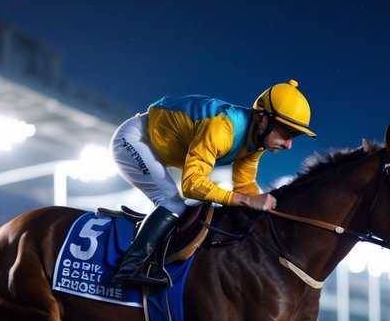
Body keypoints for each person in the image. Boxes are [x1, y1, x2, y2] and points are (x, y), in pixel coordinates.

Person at [109, 80, 316, 288]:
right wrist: (244, 200)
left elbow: (245, 187)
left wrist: (272, 211)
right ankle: (129, 268)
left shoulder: (256, 144)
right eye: (285, 133)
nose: (289, 145)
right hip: (134, 140)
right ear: (262, 119)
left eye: (294, 137)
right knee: (173, 202)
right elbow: (192, 185)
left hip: (156, 147)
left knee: (183, 203)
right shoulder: (222, 128)